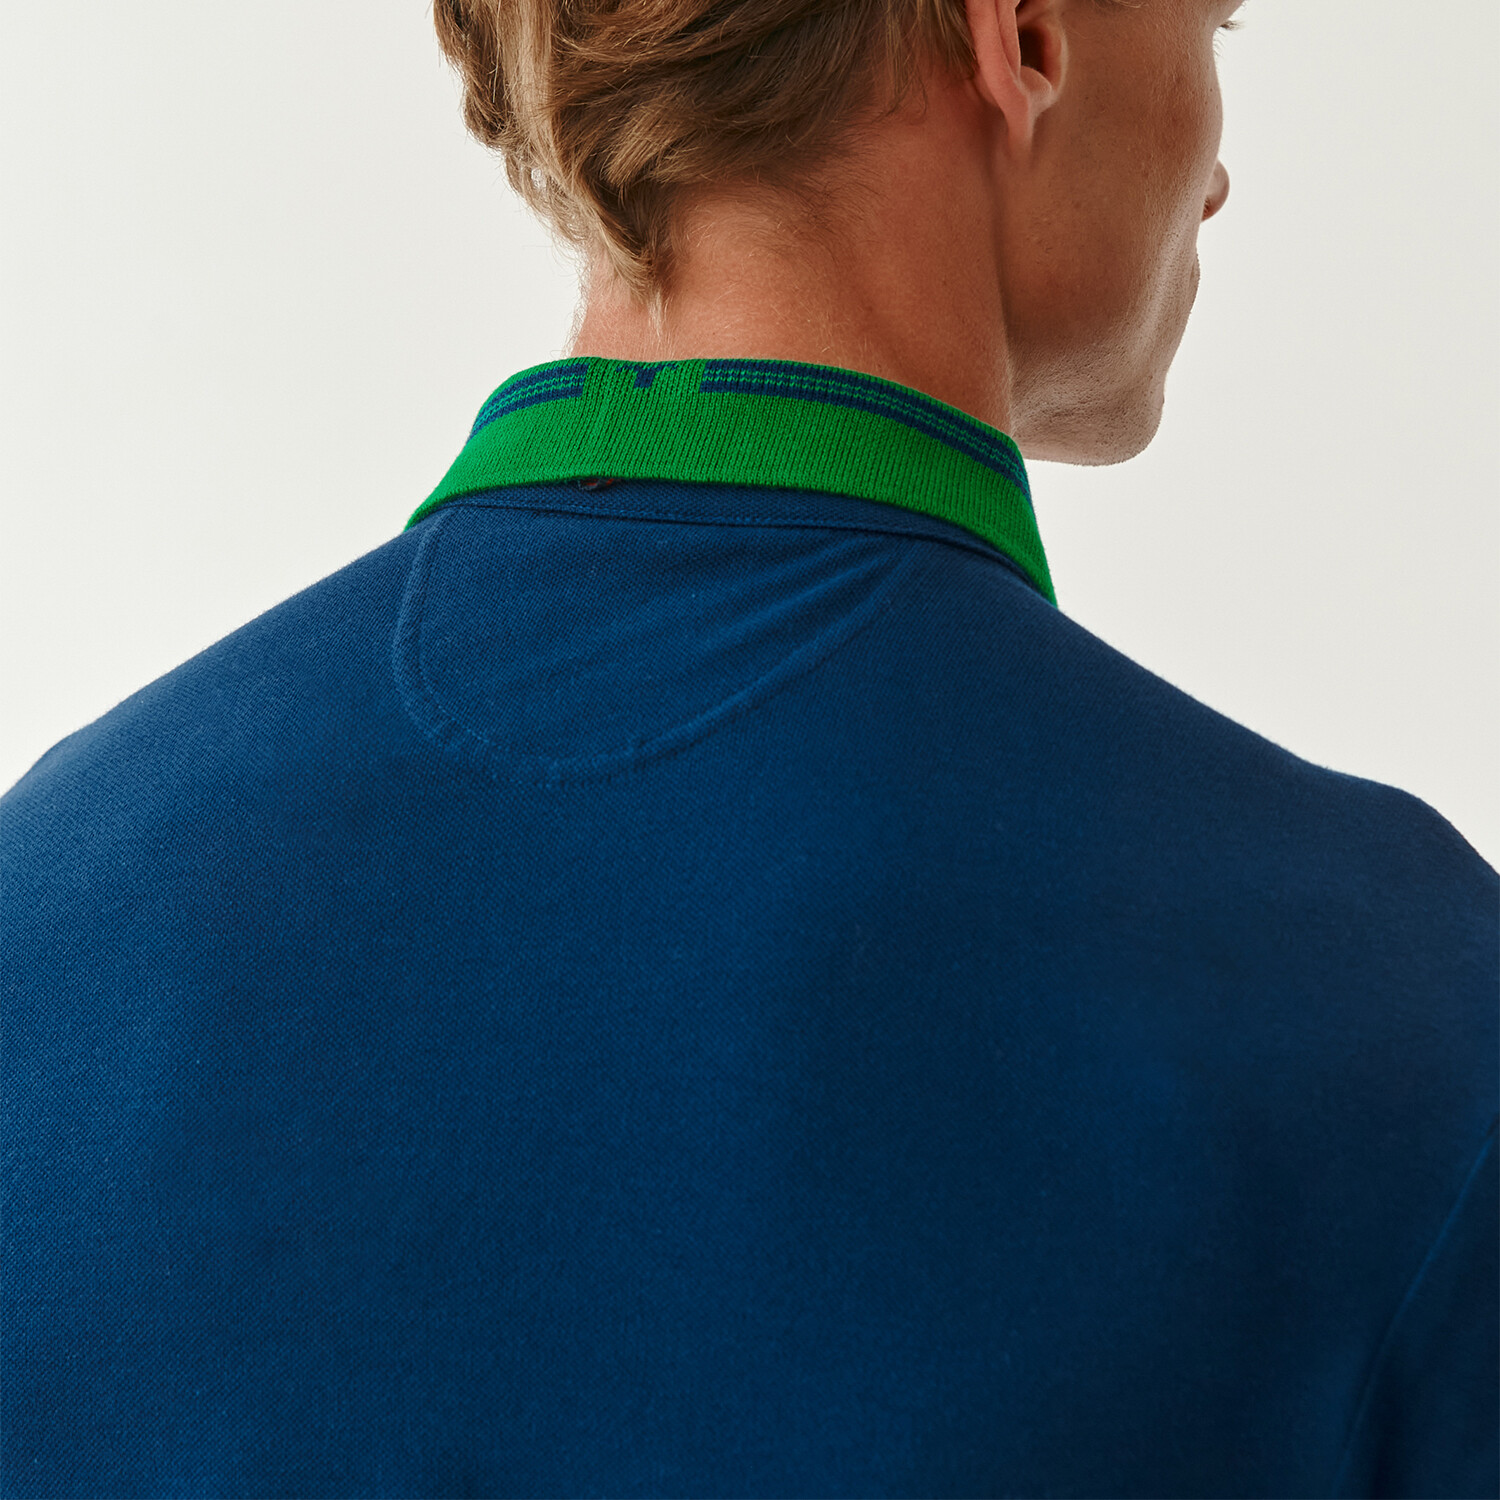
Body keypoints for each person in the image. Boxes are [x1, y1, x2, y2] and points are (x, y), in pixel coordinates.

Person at [2, 0, 1494, 1492]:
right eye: (1215, 24)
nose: (1218, 170)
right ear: (1026, 37)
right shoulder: (1396, 1007)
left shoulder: (46, 909)